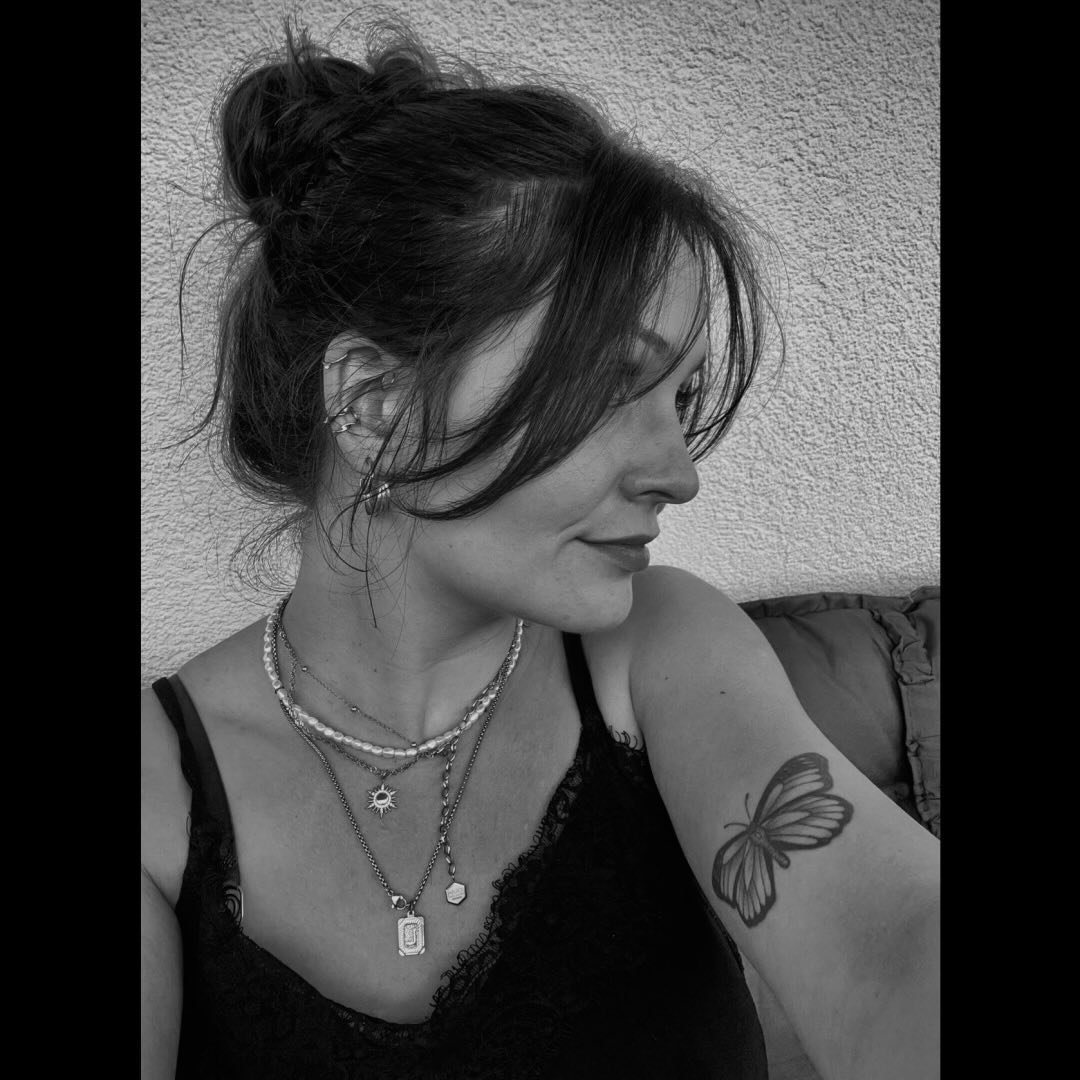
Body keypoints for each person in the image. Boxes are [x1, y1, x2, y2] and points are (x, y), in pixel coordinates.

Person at [141, 14, 939, 1080]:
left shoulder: (658, 652)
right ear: (374, 405)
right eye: (611, 384)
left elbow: (891, 944)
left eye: (682, 399)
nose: (680, 473)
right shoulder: (158, 788)